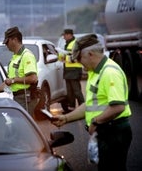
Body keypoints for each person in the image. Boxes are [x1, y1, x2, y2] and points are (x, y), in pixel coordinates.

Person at [51, 34, 132, 171]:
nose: (79, 62)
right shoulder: (95, 72)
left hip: (114, 133)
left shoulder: (109, 73)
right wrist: (65, 118)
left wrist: (95, 122)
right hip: (106, 131)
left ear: (90, 54)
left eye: (79, 58)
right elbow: (90, 105)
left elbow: (118, 107)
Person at [0, 26, 40, 117]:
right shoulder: (15, 58)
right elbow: (8, 83)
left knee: (24, 128)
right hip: (17, 98)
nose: (6, 45)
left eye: (7, 42)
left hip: (26, 97)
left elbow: (33, 78)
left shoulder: (26, 55)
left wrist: (14, 80)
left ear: (14, 39)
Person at [61, 29, 85, 112]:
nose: (63, 37)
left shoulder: (75, 44)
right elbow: (66, 56)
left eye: (64, 35)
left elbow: (76, 57)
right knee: (70, 91)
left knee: (76, 91)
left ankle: (83, 107)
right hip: (68, 70)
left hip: (74, 70)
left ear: (69, 35)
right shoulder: (67, 44)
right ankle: (71, 108)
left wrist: (65, 58)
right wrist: (59, 56)